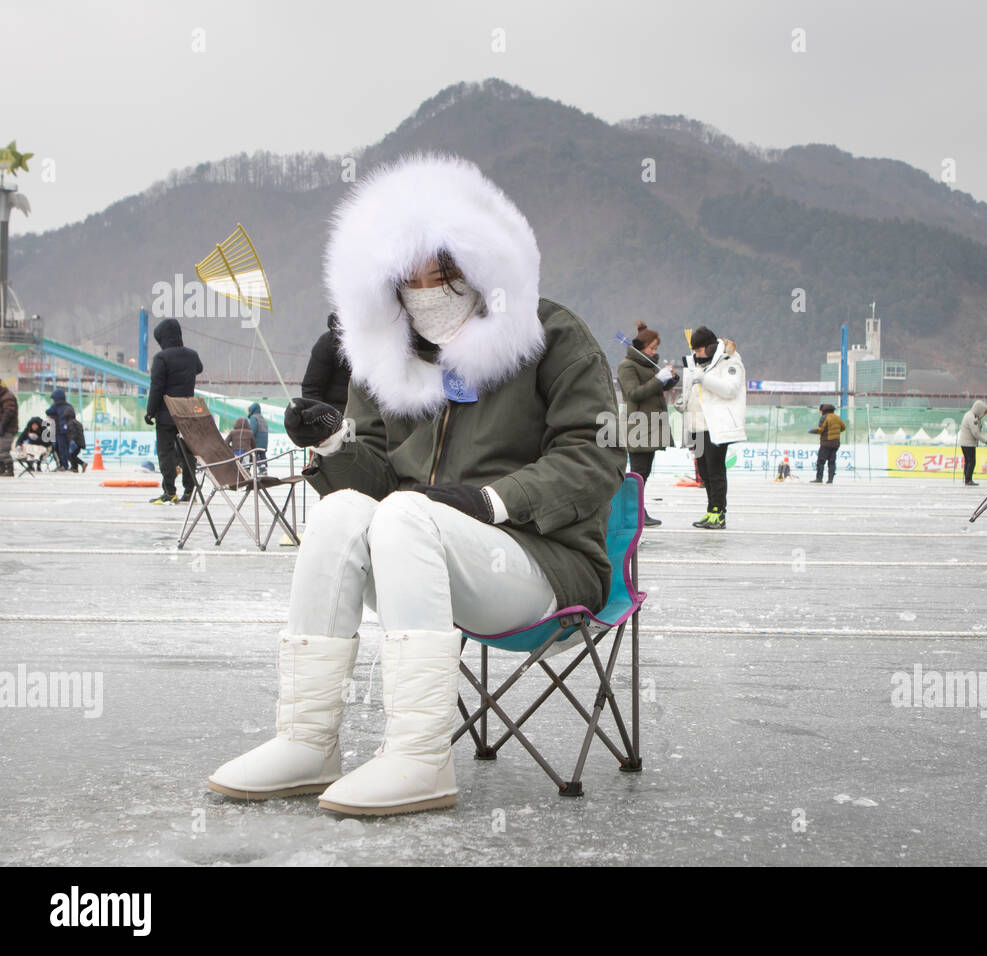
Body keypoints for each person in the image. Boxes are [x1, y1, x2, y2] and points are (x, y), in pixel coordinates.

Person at [207, 154, 626, 817]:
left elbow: (596, 457)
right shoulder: (390, 361)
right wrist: (334, 443)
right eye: (412, 280)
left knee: (404, 516)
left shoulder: (554, 337)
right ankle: (307, 740)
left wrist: (491, 500)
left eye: (445, 273)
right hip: (421, 560)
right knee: (344, 511)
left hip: (545, 563)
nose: (428, 291)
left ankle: (420, 754)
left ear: (481, 267)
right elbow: (376, 477)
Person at [679, 327, 746, 529]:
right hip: (696, 425)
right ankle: (711, 510)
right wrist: (684, 401)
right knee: (704, 471)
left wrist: (704, 378)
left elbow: (730, 390)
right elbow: (695, 390)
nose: (697, 356)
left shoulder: (730, 361)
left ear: (709, 347)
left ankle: (719, 512)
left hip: (715, 426)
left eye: (699, 351)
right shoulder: (697, 364)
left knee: (715, 470)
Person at [616, 321, 676, 526]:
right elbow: (634, 393)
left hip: (652, 425)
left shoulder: (648, 366)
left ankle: (636, 510)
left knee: (643, 473)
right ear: (641, 348)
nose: (653, 352)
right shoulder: (627, 366)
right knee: (638, 473)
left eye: (655, 349)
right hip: (638, 426)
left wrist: (669, 379)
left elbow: (654, 389)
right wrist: (659, 380)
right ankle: (632, 512)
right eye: (651, 348)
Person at [145, 318, 202, 503]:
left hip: (166, 413)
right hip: (187, 412)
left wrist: (150, 412)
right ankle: (190, 491)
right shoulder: (192, 355)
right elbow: (199, 368)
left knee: (166, 452)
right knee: (188, 453)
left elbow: (157, 387)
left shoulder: (161, 358)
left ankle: (169, 491)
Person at [301, 312, 351, 413]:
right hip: (336, 418)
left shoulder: (380, 341)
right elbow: (311, 388)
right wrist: (325, 419)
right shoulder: (327, 343)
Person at [958, 399, 987, 486]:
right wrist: (986, 441)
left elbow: (976, 423)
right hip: (968, 443)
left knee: (968, 461)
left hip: (964, 443)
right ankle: (968, 480)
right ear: (979, 409)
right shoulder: (971, 417)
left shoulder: (970, 415)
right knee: (972, 461)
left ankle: (967, 478)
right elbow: (976, 433)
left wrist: (981, 416)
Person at [810, 403, 846, 484]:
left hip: (826, 443)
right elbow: (843, 427)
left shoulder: (824, 418)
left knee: (821, 461)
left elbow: (820, 430)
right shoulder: (838, 418)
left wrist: (811, 431)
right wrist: (836, 432)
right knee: (832, 462)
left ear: (823, 411)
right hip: (836, 443)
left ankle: (819, 478)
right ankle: (830, 480)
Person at [45, 388, 73, 470]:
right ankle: (69, 464)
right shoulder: (69, 406)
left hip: (59, 431)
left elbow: (48, 412)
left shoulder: (56, 406)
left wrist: (53, 415)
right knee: (66, 449)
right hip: (67, 431)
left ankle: (63, 465)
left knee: (60, 449)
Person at [62, 407, 87, 473]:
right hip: (80, 442)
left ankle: (82, 464)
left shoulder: (71, 423)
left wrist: (71, 441)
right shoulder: (77, 422)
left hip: (75, 443)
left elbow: (73, 433)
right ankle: (74, 468)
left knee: (70, 455)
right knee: (73, 455)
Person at [247, 402, 269, 475]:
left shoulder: (254, 418)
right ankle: (264, 468)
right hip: (264, 442)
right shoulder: (262, 418)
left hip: (257, 441)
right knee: (262, 455)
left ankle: (259, 468)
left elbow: (252, 431)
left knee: (253, 455)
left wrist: (249, 440)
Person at [0, 382, 17, 477]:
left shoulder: (7, 397)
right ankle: (2, 469)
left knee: (3, 450)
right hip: (4, 428)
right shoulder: (3, 396)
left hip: (7, 429)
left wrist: (2, 426)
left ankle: (9, 469)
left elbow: (8, 413)